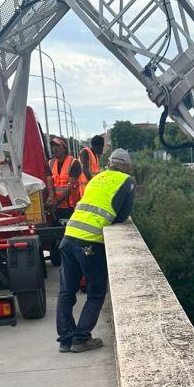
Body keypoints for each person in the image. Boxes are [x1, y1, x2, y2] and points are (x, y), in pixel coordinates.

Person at [56, 147, 136, 354]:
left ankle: (65, 339)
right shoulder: (127, 181)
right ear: (127, 167)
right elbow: (121, 215)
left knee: (66, 291)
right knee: (96, 291)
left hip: (69, 235)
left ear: (109, 164)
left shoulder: (97, 178)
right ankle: (81, 338)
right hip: (89, 241)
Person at [48, 136, 81, 221]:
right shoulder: (50, 163)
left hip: (71, 207)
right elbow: (50, 182)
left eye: (57, 146)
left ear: (65, 148)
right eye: (53, 146)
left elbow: (70, 187)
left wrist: (56, 202)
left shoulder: (74, 163)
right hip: (57, 207)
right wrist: (51, 197)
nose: (54, 148)